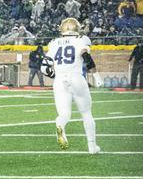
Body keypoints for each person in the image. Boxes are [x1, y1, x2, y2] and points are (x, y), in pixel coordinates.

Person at [43, 16, 100, 153]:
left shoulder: (54, 43)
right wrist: (96, 75)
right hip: (76, 77)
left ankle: (60, 125)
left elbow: (44, 68)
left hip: (60, 80)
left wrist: (58, 76)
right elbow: (86, 57)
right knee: (86, 113)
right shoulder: (82, 40)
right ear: (77, 29)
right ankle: (92, 147)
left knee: (64, 114)